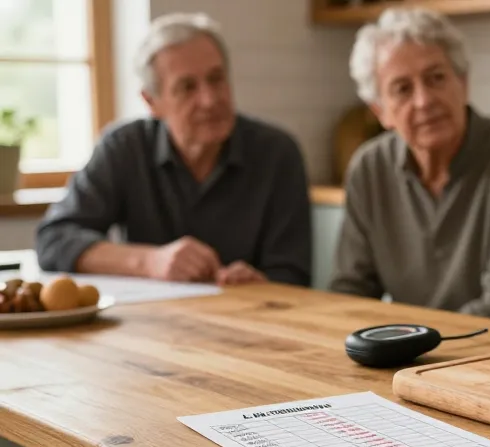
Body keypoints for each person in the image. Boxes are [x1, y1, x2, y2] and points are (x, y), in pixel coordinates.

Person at [329, 7, 490, 326]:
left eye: (436, 78)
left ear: (463, 83)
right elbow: (350, 293)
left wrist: (412, 340)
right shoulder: (369, 167)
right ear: (380, 112)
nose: (424, 100)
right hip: (417, 362)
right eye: (403, 88)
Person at [35, 13, 312, 287]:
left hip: (248, 320)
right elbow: (54, 240)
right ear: (152, 102)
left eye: (216, 79)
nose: (209, 100)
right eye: (187, 87)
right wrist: (149, 262)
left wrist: (259, 282)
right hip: (149, 324)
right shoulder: (124, 147)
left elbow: (294, 273)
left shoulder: (277, 153)